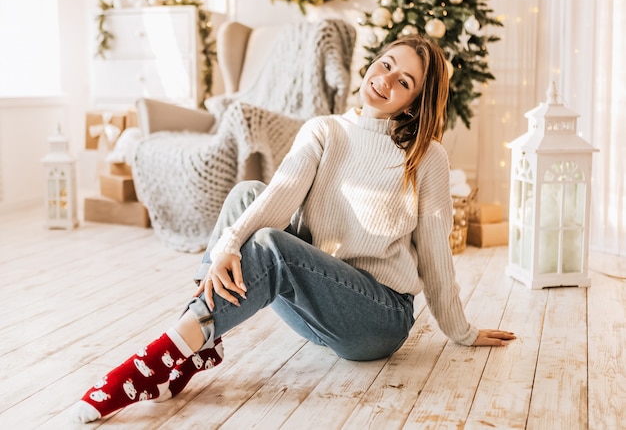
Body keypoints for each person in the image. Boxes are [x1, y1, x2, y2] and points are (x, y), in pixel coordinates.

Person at [70, 33, 516, 423]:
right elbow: (279, 195)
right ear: (371, 63)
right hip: (318, 304)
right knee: (248, 193)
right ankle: (194, 346)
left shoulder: (426, 156)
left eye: (404, 82)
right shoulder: (325, 130)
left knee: (268, 243)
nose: (385, 80)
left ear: (415, 101)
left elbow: (436, 252)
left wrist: (461, 330)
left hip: (377, 317)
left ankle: (157, 360)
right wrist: (228, 242)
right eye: (385, 65)